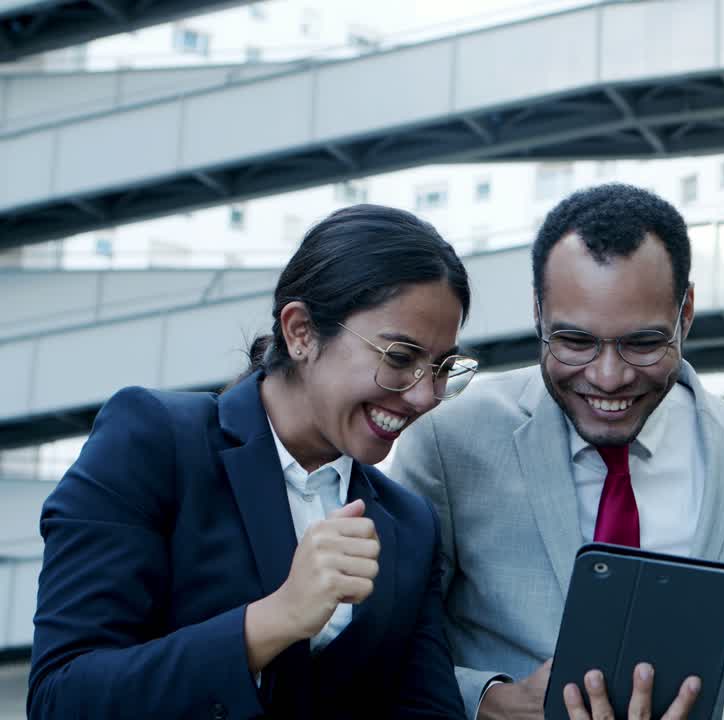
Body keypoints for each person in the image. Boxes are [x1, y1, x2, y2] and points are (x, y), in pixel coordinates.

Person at [28, 204, 479, 719]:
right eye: (399, 357)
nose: (424, 397)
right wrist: (274, 619)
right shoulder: (154, 441)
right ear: (301, 331)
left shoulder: (409, 524)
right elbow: (61, 698)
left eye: (442, 368)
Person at [394, 183, 724, 719]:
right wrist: (488, 702)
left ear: (686, 313)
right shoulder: (448, 441)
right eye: (576, 342)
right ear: (538, 313)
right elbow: (385, 652)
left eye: (642, 343)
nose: (608, 377)